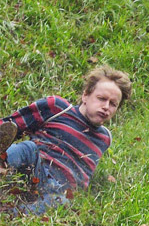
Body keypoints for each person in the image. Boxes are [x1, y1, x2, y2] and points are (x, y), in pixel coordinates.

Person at [0, 66, 131, 215]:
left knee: (62, 203)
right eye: (101, 99)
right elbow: (12, 124)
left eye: (113, 104)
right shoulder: (57, 108)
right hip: (36, 168)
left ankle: (10, 215)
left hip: (59, 193)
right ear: (85, 96)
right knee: (27, 149)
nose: (106, 107)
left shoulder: (105, 139)